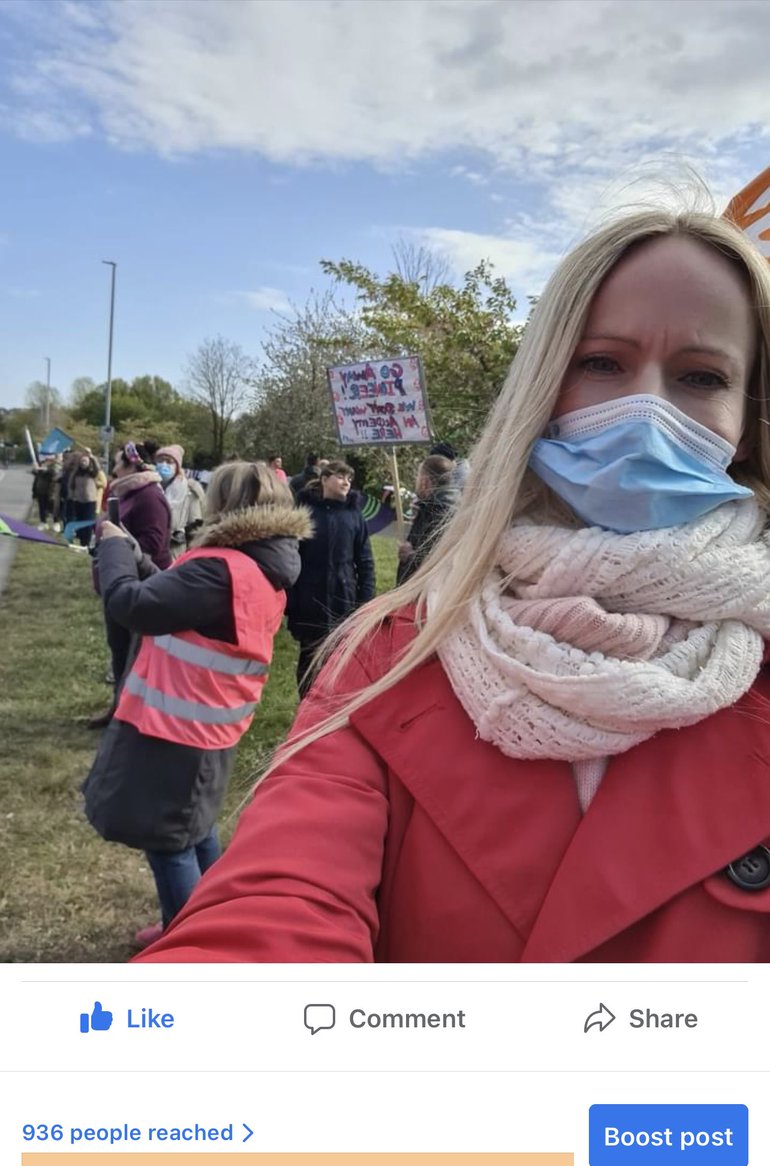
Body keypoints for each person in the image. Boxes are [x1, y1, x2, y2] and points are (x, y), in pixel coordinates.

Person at [136, 206, 770, 965]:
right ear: (540, 389)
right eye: (601, 362)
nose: (646, 412)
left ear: (748, 425)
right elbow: (273, 909)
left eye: (702, 376)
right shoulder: (389, 655)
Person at [83, 461, 311, 948]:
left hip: (176, 731)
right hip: (204, 726)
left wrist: (112, 549)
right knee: (195, 830)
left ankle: (192, 947)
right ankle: (206, 923)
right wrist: (137, 556)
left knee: (170, 844)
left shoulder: (219, 569)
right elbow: (168, 595)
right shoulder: (255, 563)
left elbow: (132, 605)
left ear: (224, 504)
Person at [87, 442, 172, 729]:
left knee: (132, 654)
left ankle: (128, 716)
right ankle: (117, 709)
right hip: (119, 582)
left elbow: (153, 543)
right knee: (119, 649)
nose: (113, 469)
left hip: (137, 586)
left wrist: (116, 546)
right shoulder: (127, 492)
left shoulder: (149, 496)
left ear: (132, 465)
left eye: (118, 463)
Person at [286, 460, 375, 697]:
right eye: (340, 476)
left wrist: (365, 601)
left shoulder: (354, 516)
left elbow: (365, 561)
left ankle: (328, 708)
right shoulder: (304, 512)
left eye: (349, 478)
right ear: (325, 479)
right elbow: (292, 557)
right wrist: (292, 599)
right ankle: (305, 703)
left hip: (342, 598)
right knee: (309, 657)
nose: (346, 482)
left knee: (337, 659)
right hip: (309, 598)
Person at [396, 454, 460, 585]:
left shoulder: (439, 512)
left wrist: (409, 556)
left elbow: (437, 561)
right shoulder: (438, 507)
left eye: (418, 477)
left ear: (425, 481)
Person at [154, 444, 206, 559]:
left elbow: (196, 525)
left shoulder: (190, 491)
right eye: (160, 460)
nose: (164, 464)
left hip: (177, 552)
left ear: (177, 466)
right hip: (153, 548)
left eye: (169, 461)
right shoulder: (151, 487)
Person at [69, 452, 101, 545]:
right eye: (82, 461)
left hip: (89, 502)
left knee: (87, 523)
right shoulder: (76, 473)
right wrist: (72, 495)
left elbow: (97, 468)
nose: (83, 463)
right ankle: (82, 542)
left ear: (89, 462)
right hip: (78, 501)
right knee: (79, 521)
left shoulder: (92, 473)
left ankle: (86, 543)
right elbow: (71, 485)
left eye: (85, 461)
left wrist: (92, 457)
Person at [31, 456, 61, 527]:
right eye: (46, 459)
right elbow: (35, 473)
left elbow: (53, 473)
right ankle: (43, 522)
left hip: (52, 491)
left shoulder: (56, 466)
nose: (47, 460)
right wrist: (35, 468)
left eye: (49, 459)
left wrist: (41, 469)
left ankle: (56, 523)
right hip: (41, 490)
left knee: (53, 507)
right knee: (42, 507)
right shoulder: (42, 465)